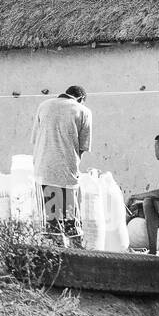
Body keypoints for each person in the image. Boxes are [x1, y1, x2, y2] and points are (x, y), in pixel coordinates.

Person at [31, 84, 91, 242]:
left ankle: (58, 256)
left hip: (43, 171)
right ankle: (78, 255)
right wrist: (74, 165)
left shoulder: (43, 106)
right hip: (67, 174)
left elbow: (35, 139)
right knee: (72, 221)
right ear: (81, 99)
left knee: (51, 222)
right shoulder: (83, 111)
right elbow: (83, 147)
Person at [127, 132, 159, 253]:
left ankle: (152, 249)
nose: (155, 152)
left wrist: (135, 196)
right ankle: (123, 244)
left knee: (148, 201)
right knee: (133, 208)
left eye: (156, 148)